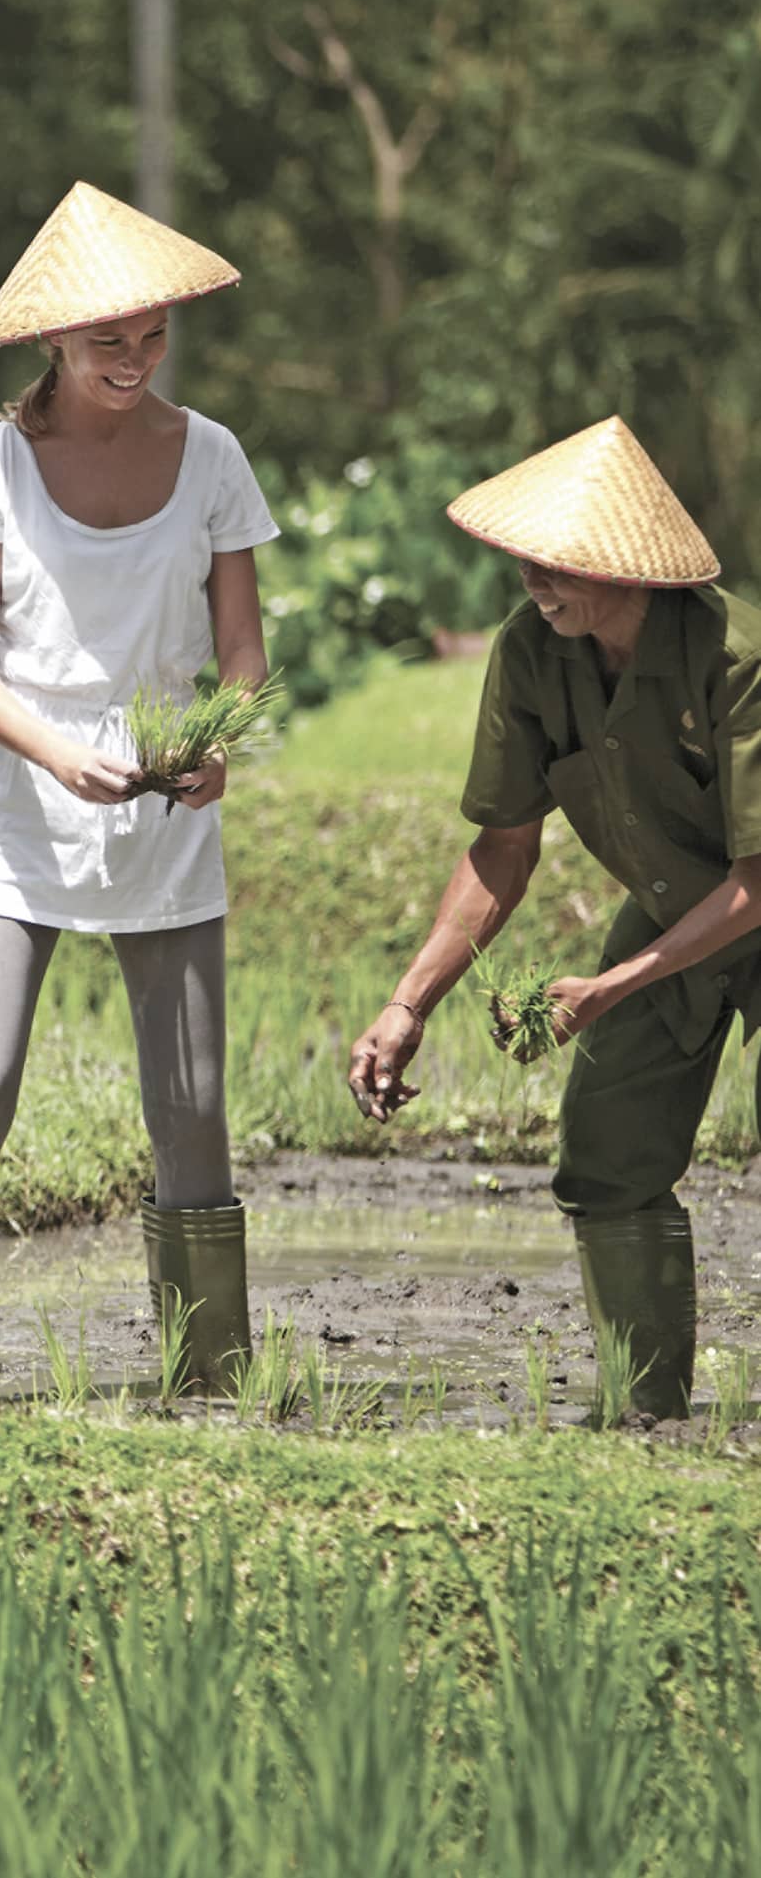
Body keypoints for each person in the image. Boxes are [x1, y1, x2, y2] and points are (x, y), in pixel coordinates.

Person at [0, 180, 278, 1397]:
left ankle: (208, 1378)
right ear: (53, 339)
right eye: (111, 339)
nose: (137, 358)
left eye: (153, 334)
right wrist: (56, 754)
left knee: (193, 1107)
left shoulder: (210, 454)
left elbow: (246, 658)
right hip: (18, 810)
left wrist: (218, 742)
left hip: (164, 810)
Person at [348, 414, 761, 1420]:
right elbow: (503, 846)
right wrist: (410, 1004)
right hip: (677, 912)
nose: (535, 577)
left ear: (630, 565)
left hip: (742, 895)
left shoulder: (735, 653)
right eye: (526, 557)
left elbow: (758, 876)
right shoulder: (533, 653)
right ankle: (648, 1414)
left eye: (560, 561)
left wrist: (609, 987)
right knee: (608, 1147)